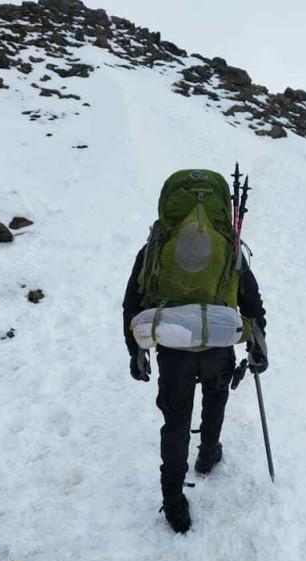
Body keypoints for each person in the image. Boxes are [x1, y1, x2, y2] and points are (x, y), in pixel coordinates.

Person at [122, 171, 268, 534]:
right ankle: (207, 454)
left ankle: (173, 501)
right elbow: (251, 299)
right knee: (216, 397)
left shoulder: (156, 245)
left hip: (174, 347)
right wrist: (258, 340)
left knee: (175, 421)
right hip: (218, 343)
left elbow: (132, 302)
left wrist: (135, 349)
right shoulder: (229, 244)